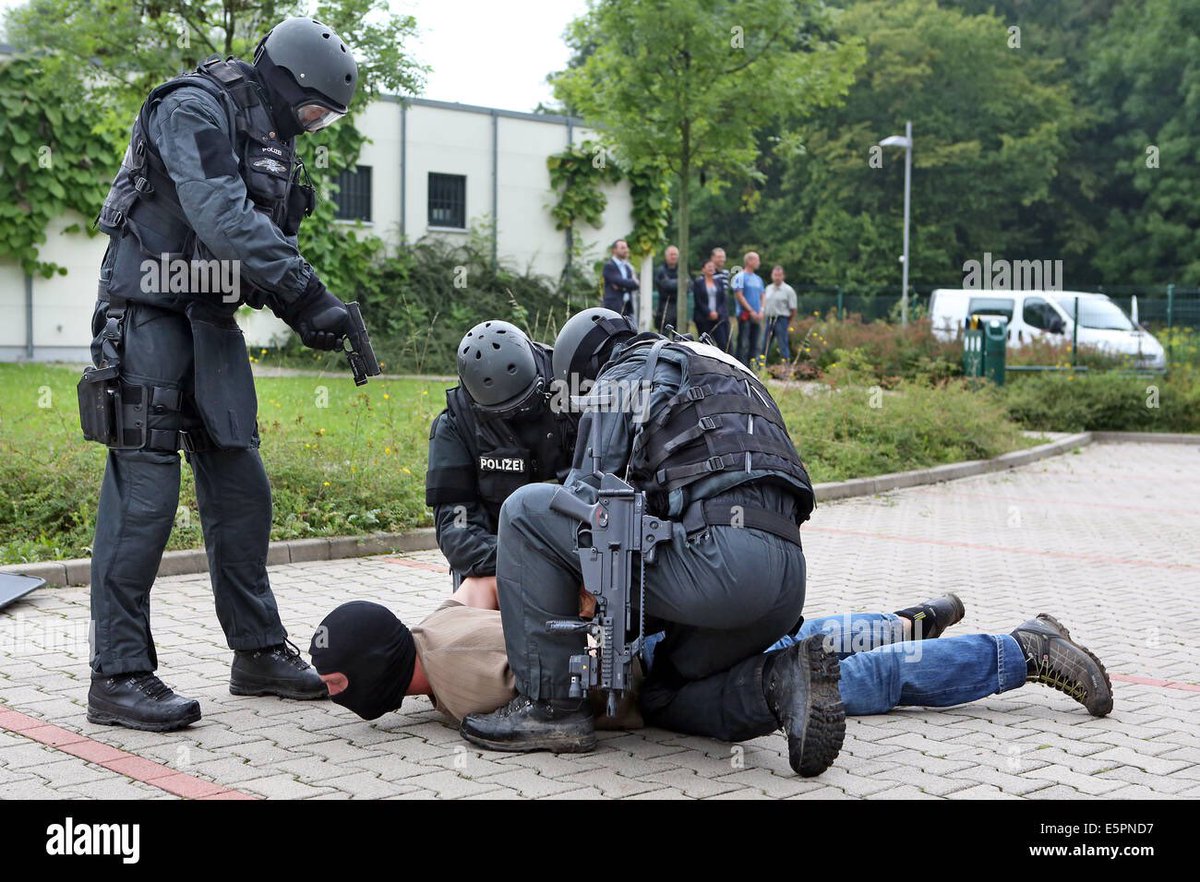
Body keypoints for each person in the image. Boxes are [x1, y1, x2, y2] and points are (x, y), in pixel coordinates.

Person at [83, 17, 362, 732]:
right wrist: (308, 294)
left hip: (209, 321)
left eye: (324, 119)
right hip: (145, 312)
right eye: (312, 109)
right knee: (145, 495)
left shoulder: (271, 141)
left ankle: (258, 651)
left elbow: (254, 243)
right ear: (283, 79)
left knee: (242, 491)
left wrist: (311, 316)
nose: (312, 125)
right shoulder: (191, 106)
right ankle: (118, 675)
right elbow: (219, 212)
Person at [459, 309, 846, 778]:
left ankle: (550, 709)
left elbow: (583, 503)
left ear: (583, 371)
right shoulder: (727, 368)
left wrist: (572, 591)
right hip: (784, 586)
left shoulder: (621, 375)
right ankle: (781, 680)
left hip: (719, 570)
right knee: (661, 695)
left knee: (526, 511)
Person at [311, 588, 1113, 735]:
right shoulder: (435, 626)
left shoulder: (456, 686)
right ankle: (907, 621)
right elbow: (484, 582)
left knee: (856, 680)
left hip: (660, 666)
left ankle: (1020, 653)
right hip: (666, 630)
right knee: (823, 638)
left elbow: (573, 689)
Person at [646, 596, 1114, 718]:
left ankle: (1024, 652)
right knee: (802, 639)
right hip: (710, 611)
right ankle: (906, 626)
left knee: (845, 679)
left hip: (662, 653)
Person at [310, 577, 643, 727]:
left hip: (650, 679)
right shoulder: (431, 628)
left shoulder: (467, 688)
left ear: (374, 667)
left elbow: (583, 680)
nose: (330, 694)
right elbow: (482, 583)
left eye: (335, 683)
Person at [424, 320, 579, 596]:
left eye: (527, 403)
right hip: (501, 560)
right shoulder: (455, 426)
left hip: (577, 550)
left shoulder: (573, 391)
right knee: (474, 598)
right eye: (507, 411)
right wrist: (526, 557)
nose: (519, 415)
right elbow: (456, 530)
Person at [732, 251, 766, 367]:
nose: (759, 262)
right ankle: (740, 367)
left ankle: (752, 368)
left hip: (757, 316)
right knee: (743, 342)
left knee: (755, 343)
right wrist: (751, 311)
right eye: (757, 260)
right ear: (749, 261)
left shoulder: (758, 279)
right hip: (745, 315)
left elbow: (762, 295)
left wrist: (761, 310)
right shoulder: (739, 277)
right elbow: (739, 295)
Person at [692, 259, 730, 351]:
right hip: (703, 318)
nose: (711, 268)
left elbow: (722, 300)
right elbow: (698, 301)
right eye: (709, 266)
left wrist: (717, 312)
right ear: (703, 269)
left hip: (718, 318)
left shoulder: (719, 282)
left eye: (713, 267)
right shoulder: (698, 283)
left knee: (723, 343)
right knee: (705, 344)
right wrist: (709, 313)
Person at [763, 265, 798, 363]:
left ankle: (786, 368)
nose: (777, 277)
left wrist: (788, 322)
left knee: (783, 344)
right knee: (765, 344)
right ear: (772, 276)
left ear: (783, 276)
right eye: (775, 275)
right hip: (769, 319)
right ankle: (761, 367)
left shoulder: (788, 290)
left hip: (782, 319)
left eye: (779, 275)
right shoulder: (768, 288)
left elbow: (793, 309)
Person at [601, 239, 639, 319]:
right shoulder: (609, 266)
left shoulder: (627, 267)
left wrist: (622, 286)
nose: (626, 250)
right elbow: (619, 281)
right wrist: (629, 284)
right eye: (622, 248)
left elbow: (636, 285)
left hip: (628, 307)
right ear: (614, 250)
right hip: (614, 307)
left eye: (626, 248)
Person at [653, 245, 680, 334]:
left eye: (675, 254)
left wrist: (671, 283)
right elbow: (665, 286)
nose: (673, 257)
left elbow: (689, 285)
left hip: (680, 308)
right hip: (664, 308)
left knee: (680, 337)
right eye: (671, 254)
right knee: (664, 336)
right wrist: (679, 282)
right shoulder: (660, 270)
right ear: (666, 256)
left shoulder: (682, 270)